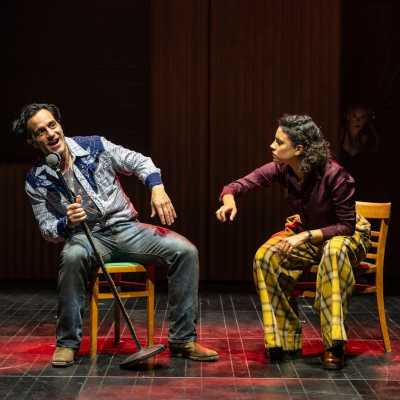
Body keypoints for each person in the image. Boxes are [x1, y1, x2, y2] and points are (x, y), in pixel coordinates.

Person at [12, 103, 218, 367]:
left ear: (60, 125)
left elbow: (139, 162)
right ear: (32, 140)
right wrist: (66, 222)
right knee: (72, 257)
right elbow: (47, 229)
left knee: (186, 251)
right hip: (87, 237)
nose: (50, 134)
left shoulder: (95, 146)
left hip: (127, 229)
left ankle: (182, 340)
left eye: (52, 125)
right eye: (40, 131)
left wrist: (157, 188)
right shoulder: (36, 179)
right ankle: (67, 343)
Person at [216, 114, 370, 370]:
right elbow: (238, 185)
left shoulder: (335, 175)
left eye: (279, 142)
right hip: (309, 234)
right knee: (267, 256)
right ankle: (285, 340)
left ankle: (334, 345)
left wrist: (305, 236)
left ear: (299, 149)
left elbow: (346, 226)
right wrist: (229, 199)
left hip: (345, 238)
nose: (272, 146)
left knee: (333, 251)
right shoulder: (283, 169)